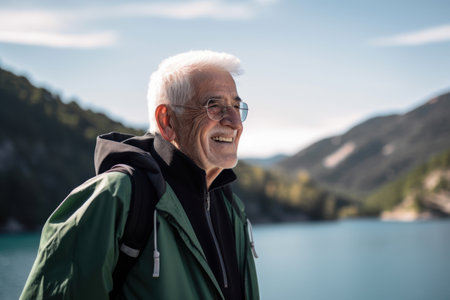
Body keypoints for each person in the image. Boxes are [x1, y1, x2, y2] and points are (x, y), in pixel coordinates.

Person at [20, 50, 259, 300]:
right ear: (167, 121)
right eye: (214, 106)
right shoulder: (114, 198)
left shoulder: (231, 207)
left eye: (235, 105)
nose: (235, 121)